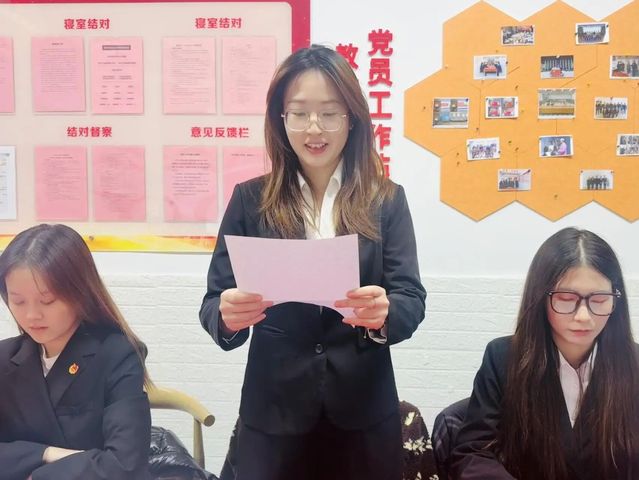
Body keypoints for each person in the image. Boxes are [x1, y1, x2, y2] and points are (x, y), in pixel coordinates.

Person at [199, 44, 426, 480]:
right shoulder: (251, 200)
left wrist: (386, 313)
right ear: (281, 118)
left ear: (352, 117)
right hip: (273, 416)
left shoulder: (385, 200)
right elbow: (213, 302)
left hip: (362, 414)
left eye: (329, 113)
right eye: (300, 113)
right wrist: (226, 318)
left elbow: (411, 298)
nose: (314, 128)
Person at [451, 227, 639, 480]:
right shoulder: (504, 359)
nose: (584, 316)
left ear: (616, 300)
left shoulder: (634, 364)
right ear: (540, 297)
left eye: (599, 299)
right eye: (566, 298)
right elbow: (473, 451)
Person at [0, 224, 152, 480]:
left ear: (80, 292)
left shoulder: (117, 354)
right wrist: (48, 454)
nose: (31, 315)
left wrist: (37, 474)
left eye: (47, 300)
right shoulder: (5, 357)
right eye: (18, 301)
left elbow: (125, 465)